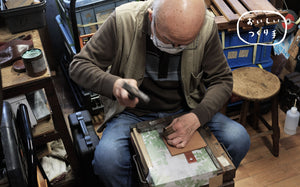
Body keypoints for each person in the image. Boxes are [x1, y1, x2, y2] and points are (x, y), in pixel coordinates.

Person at [69, 0, 250, 186]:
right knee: (107, 161)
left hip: (186, 108)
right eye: (169, 40)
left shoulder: (205, 26)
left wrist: (197, 117)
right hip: (133, 114)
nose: (175, 49)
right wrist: (114, 84)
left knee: (238, 139)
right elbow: (78, 67)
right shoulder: (123, 20)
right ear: (151, 17)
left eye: (184, 44)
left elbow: (222, 80)